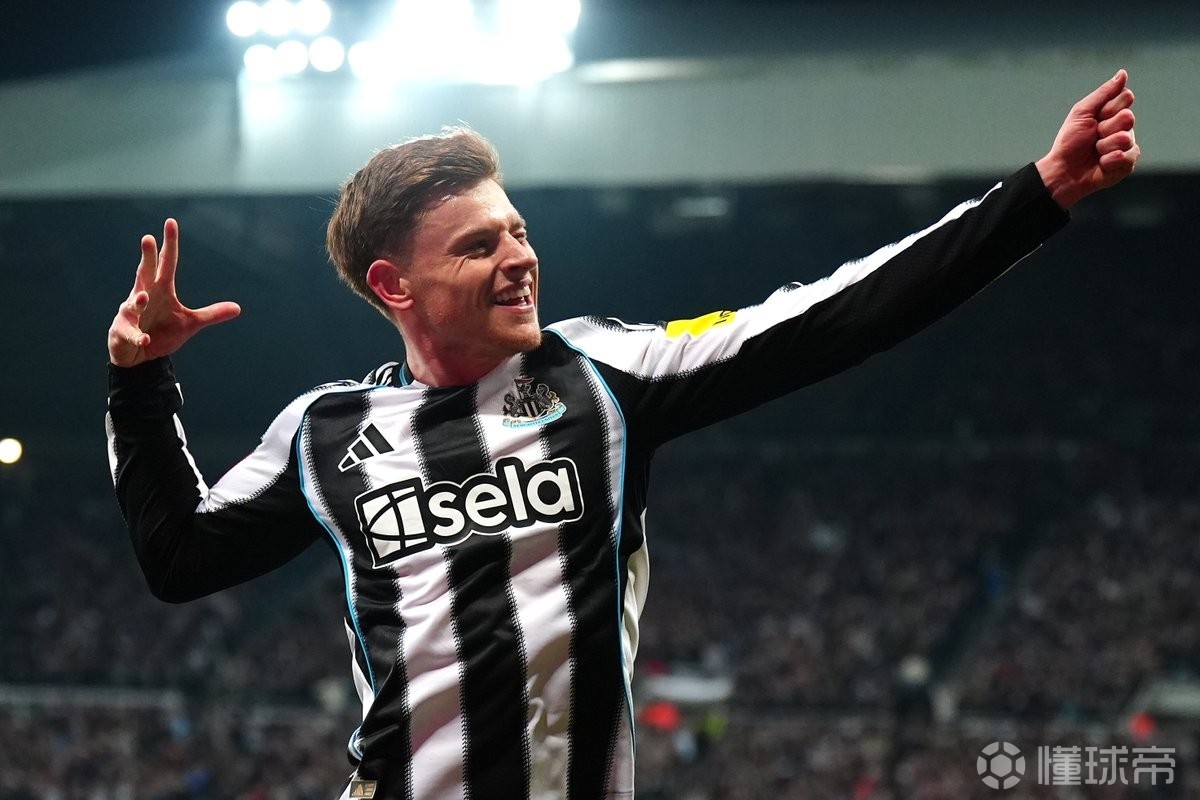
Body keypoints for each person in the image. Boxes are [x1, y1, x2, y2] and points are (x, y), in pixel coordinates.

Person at [106, 70, 1140, 799]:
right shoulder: (326, 432)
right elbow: (180, 557)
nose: (519, 258)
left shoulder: (602, 375)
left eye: (517, 230)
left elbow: (828, 318)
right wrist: (140, 381)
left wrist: (1035, 198)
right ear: (395, 285)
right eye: (479, 246)